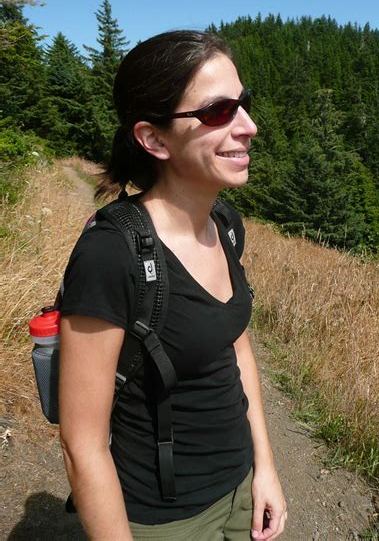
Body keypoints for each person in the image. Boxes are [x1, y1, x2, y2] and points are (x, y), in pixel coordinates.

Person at [59, 30, 287, 541]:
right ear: (154, 138)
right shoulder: (110, 256)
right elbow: (82, 444)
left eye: (243, 104)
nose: (248, 126)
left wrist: (265, 469)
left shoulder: (225, 223)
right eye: (217, 111)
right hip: (165, 520)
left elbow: (235, 347)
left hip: (241, 489)